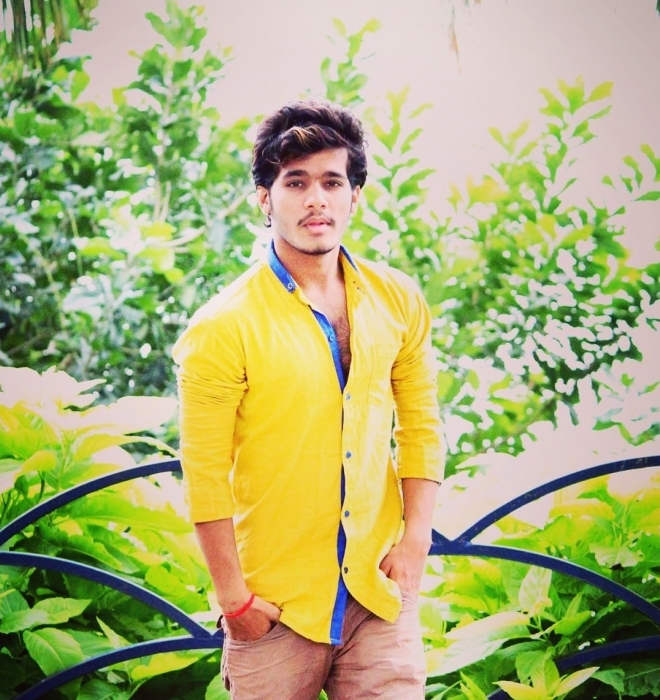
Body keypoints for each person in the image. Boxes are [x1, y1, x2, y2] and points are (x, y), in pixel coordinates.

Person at [172, 100, 445, 699]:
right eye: (295, 183)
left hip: (378, 593)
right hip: (275, 607)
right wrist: (235, 602)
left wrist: (415, 541)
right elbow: (205, 473)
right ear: (265, 199)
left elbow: (422, 425)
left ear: (355, 196)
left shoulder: (398, 300)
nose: (315, 199)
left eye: (331, 182)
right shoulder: (222, 326)